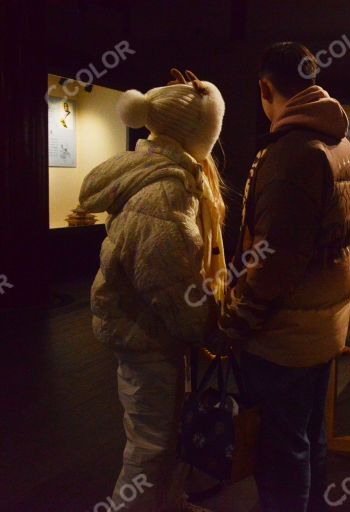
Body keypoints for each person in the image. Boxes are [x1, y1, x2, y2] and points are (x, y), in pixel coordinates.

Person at [219, 42, 350, 512]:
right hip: (323, 327)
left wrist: (236, 323)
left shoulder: (292, 154)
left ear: (265, 88)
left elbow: (274, 262)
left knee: (281, 453)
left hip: (283, 336)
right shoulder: (343, 146)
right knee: (307, 438)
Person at [79, 69, 227, 511]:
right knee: (148, 445)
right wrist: (212, 329)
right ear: (200, 135)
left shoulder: (170, 176)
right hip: (146, 337)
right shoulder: (163, 194)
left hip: (154, 335)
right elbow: (169, 287)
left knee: (165, 435)